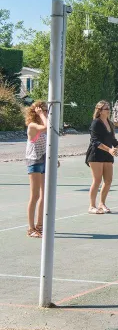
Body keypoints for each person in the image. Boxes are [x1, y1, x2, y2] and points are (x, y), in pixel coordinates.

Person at [85, 101, 118, 214]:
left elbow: (113, 141)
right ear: (100, 111)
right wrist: (109, 149)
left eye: (109, 108)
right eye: (106, 109)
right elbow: (95, 141)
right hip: (96, 155)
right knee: (97, 180)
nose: (108, 110)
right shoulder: (96, 123)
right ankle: (92, 206)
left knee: (108, 180)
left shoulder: (110, 123)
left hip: (107, 155)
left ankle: (102, 203)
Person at [25, 101, 53, 237]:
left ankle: (40, 225)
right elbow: (47, 126)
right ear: (36, 112)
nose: (47, 113)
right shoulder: (32, 126)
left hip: (43, 159)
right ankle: (30, 229)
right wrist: (42, 114)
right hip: (34, 161)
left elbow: (47, 142)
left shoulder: (41, 125)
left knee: (44, 194)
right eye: (44, 111)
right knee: (35, 195)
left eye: (47, 111)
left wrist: (54, 158)